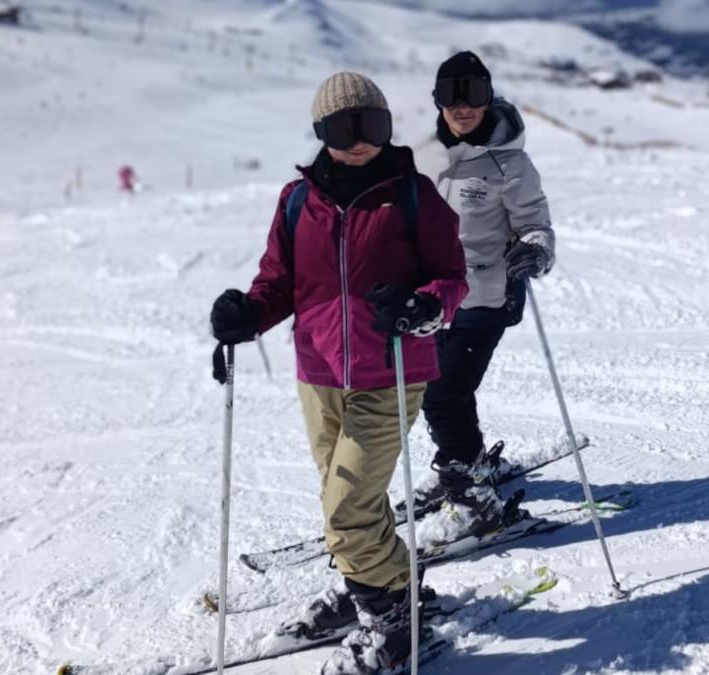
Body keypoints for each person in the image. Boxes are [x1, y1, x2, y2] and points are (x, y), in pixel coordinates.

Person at [209, 71, 467, 674]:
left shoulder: (412, 195)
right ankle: (376, 590)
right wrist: (248, 313)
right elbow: (278, 282)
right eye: (341, 128)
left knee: (346, 512)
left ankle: (395, 621)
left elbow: (451, 278)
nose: (357, 141)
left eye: (370, 125)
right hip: (319, 373)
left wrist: (424, 305)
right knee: (350, 503)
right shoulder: (298, 201)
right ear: (320, 132)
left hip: (393, 370)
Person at [413, 51, 555, 536]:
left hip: (487, 295)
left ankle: (473, 499)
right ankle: (464, 463)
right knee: (440, 390)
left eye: (472, 93)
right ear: (437, 101)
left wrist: (534, 251)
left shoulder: (510, 162)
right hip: (433, 298)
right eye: (450, 95)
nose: (462, 106)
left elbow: (535, 222)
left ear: (487, 96)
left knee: (444, 392)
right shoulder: (421, 156)